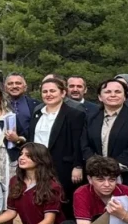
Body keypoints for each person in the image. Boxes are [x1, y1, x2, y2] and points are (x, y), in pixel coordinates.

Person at [24, 77, 87, 214]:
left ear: (63, 93)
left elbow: (79, 143)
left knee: (63, 203)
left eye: (52, 91)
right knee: (40, 201)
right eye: (45, 91)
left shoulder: (75, 115)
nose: (48, 94)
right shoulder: (37, 113)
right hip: (38, 166)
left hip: (63, 166)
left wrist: (78, 166)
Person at [84, 78, 128, 196]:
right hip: (98, 177)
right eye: (108, 92)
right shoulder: (90, 117)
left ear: (125, 96)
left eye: (117, 92)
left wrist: (113, 168)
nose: (113, 95)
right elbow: (84, 144)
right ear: (100, 97)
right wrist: (96, 167)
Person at [4, 73, 40, 143]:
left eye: (18, 83)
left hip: (30, 147)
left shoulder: (37, 106)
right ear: (5, 88)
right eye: (10, 84)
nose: (14, 86)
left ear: (25, 87)